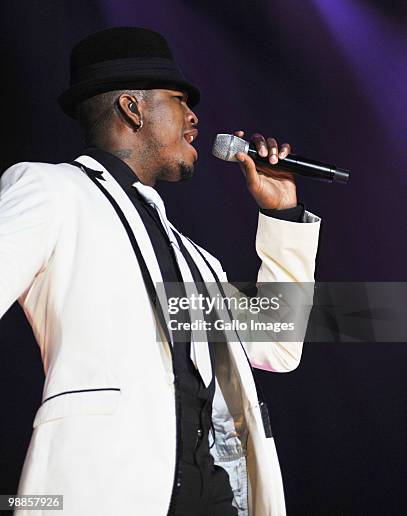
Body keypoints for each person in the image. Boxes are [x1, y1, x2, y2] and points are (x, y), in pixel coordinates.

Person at [0, 27, 321, 516]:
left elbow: (277, 344)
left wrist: (282, 216)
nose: (195, 118)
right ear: (133, 108)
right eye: (179, 101)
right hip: (103, 493)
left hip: (217, 498)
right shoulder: (51, 190)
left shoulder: (196, 259)